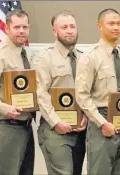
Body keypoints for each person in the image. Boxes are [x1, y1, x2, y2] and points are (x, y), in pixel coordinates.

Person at [75, 8, 120, 175]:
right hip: (101, 122)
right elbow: (81, 95)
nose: (116, 27)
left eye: (118, 23)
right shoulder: (90, 57)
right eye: (111, 24)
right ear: (99, 26)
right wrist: (101, 122)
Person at [31, 10, 86, 175]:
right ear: (55, 31)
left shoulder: (84, 58)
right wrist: (56, 122)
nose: (69, 30)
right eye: (64, 27)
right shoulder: (43, 59)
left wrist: (88, 117)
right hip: (56, 131)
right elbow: (40, 95)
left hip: (81, 130)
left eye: (72, 26)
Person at [0, 9, 35, 175]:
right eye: (17, 27)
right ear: (6, 28)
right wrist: (6, 108)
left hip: (26, 126)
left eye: (25, 27)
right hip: (4, 128)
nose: (21, 31)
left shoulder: (29, 54)